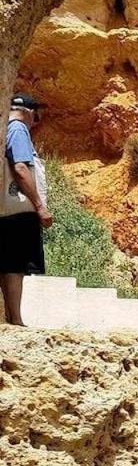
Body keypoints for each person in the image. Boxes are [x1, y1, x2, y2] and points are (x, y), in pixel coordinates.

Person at [1, 93, 52, 326]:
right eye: (37, 117)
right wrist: (40, 206)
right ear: (29, 112)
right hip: (18, 210)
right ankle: (16, 319)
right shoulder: (18, 129)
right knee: (15, 264)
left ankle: (12, 317)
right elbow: (21, 167)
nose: (36, 122)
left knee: (8, 263)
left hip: (7, 210)